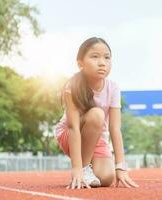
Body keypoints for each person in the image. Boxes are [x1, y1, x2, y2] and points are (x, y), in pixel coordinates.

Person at [55, 37, 138, 189]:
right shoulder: (71, 87)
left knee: (106, 178)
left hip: (97, 136)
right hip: (70, 133)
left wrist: (120, 166)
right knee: (97, 114)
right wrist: (77, 168)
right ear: (80, 64)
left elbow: (115, 129)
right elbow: (73, 128)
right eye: (95, 57)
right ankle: (85, 167)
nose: (102, 62)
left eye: (107, 58)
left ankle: (89, 168)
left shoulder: (113, 88)